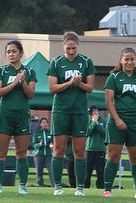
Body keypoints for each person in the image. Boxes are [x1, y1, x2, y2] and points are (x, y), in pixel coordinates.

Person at [47, 31, 96, 197]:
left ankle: (80, 187)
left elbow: (90, 88)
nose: (71, 51)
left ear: (78, 46)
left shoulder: (86, 62)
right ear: (63, 47)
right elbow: (52, 88)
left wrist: (79, 83)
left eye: (74, 48)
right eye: (68, 48)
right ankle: (58, 186)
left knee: (80, 151)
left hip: (80, 111)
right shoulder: (56, 62)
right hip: (61, 110)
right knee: (59, 149)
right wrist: (69, 83)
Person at [101, 47, 136, 199]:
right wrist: (117, 120)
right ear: (121, 60)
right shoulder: (114, 77)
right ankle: (107, 190)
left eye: (132, 59)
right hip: (116, 122)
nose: (129, 62)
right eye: (126, 59)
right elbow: (108, 101)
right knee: (113, 155)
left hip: (135, 122)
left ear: (135, 60)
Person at [0, 40, 37, 194]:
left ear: (21, 53)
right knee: (1, 152)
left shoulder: (29, 71)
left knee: (21, 153)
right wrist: (15, 82)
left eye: (14, 51)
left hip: (22, 116)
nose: (11, 54)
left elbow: (30, 95)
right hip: (5, 115)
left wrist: (23, 82)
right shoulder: (1, 71)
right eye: (8, 52)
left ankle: (23, 187)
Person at [84, 106, 106, 189]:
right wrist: (93, 123)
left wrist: (97, 124)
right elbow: (87, 133)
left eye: (95, 111)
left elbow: (105, 133)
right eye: (92, 112)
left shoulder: (103, 121)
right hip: (89, 149)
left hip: (100, 149)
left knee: (100, 171)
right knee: (87, 171)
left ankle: (100, 187)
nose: (94, 113)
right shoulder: (88, 121)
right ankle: (86, 187)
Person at [32, 118, 53, 187]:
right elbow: (34, 144)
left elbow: (53, 142)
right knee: (39, 171)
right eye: (43, 122)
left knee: (51, 170)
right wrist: (39, 145)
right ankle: (40, 184)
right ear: (40, 124)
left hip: (48, 155)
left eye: (46, 122)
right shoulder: (37, 133)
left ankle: (53, 184)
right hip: (39, 155)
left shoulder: (50, 133)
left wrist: (52, 145)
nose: (45, 124)